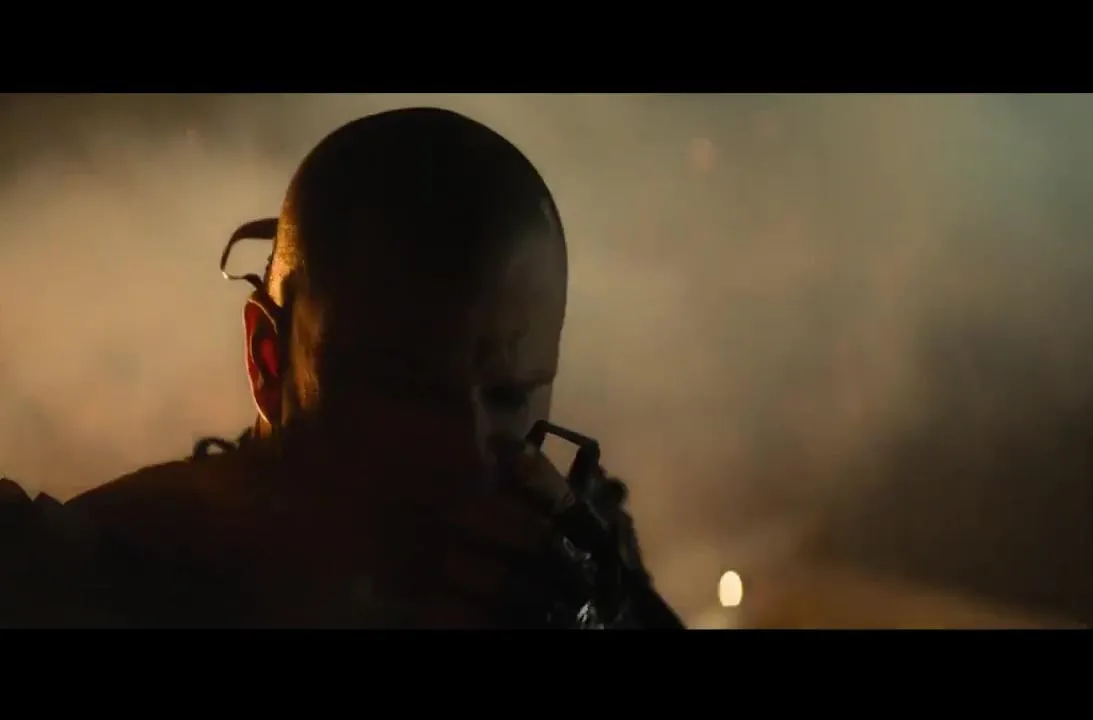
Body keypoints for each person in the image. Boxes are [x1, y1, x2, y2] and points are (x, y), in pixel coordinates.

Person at [1, 107, 668, 628]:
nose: (465, 457)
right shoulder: (89, 580)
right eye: (408, 393)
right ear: (268, 360)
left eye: (510, 395)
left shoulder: (575, 560)